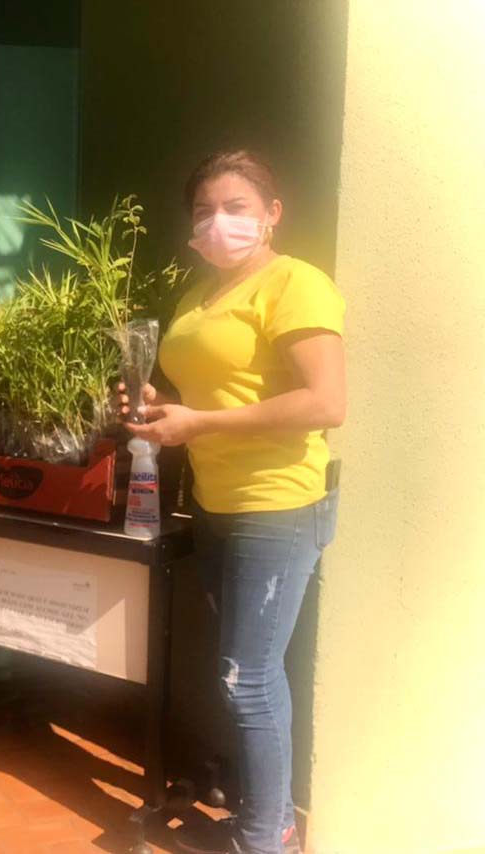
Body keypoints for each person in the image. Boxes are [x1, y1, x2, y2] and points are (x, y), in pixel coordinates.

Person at [122, 150, 345, 854]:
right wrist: (163, 405)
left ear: (273, 214)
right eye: (204, 210)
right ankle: (262, 810)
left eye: (236, 207)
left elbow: (326, 402)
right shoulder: (198, 296)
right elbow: (218, 392)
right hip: (216, 504)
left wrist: (200, 425)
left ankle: (266, 836)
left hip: (276, 506)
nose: (218, 221)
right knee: (241, 675)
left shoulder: (294, 284)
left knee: (247, 680)